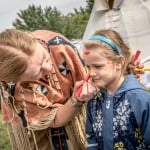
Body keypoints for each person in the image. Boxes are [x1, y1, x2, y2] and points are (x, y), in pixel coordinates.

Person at [0, 29, 97, 150]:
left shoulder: (58, 44)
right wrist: (76, 99)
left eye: (45, 58)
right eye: (37, 72)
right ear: (17, 79)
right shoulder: (18, 90)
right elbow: (54, 120)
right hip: (38, 120)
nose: (48, 67)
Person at [82, 29, 150, 149]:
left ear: (118, 62)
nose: (91, 73)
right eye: (88, 67)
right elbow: (92, 140)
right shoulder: (94, 101)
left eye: (98, 66)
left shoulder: (139, 99)